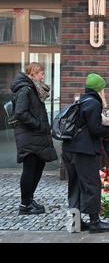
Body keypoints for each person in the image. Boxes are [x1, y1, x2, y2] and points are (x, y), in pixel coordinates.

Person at [61, 73, 109, 233]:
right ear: (99, 89)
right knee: (92, 185)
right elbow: (95, 129)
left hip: (69, 149)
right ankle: (94, 222)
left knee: (75, 185)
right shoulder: (93, 103)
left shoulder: (81, 101)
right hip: (84, 152)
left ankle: (75, 223)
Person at [10, 62, 57, 215]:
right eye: (41, 73)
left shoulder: (33, 89)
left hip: (35, 135)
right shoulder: (26, 89)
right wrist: (38, 125)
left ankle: (29, 199)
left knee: (38, 166)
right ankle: (25, 205)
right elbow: (21, 113)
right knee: (30, 168)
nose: (43, 76)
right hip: (28, 135)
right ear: (34, 74)